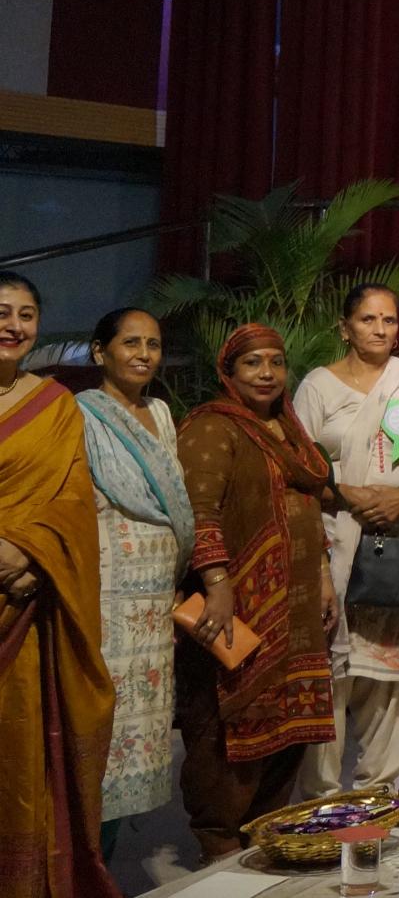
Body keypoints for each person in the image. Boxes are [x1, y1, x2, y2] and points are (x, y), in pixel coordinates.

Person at [175, 323, 338, 863]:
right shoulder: (212, 427)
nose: (267, 373)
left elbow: (309, 509)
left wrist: (323, 576)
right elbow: (200, 513)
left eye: (275, 361)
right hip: (239, 604)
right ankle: (218, 838)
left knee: (289, 725)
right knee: (227, 719)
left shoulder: (290, 433)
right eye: (252, 363)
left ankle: (263, 828)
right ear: (229, 372)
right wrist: (217, 584)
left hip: (296, 606)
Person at [291, 286, 399, 798]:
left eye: (389, 320)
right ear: (345, 327)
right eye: (367, 319)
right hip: (334, 543)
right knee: (331, 671)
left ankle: (378, 792)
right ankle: (322, 798)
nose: (380, 329)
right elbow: (297, 469)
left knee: (393, 671)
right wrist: (346, 494)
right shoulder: (317, 387)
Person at [0, 272, 123, 896]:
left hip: (27, 605)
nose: (14, 325)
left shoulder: (53, 406)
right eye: (2, 311)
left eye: (26, 314)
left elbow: (73, 501)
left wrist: (29, 552)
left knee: (21, 758)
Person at [78, 309, 192, 852]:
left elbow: (175, 501)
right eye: (130, 343)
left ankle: (105, 862)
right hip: (104, 592)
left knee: (139, 732)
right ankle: (84, 864)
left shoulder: (162, 413)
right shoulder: (79, 414)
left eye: (153, 344)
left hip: (155, 599)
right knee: (100, 728)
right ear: (100, 351)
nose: (144, 354)